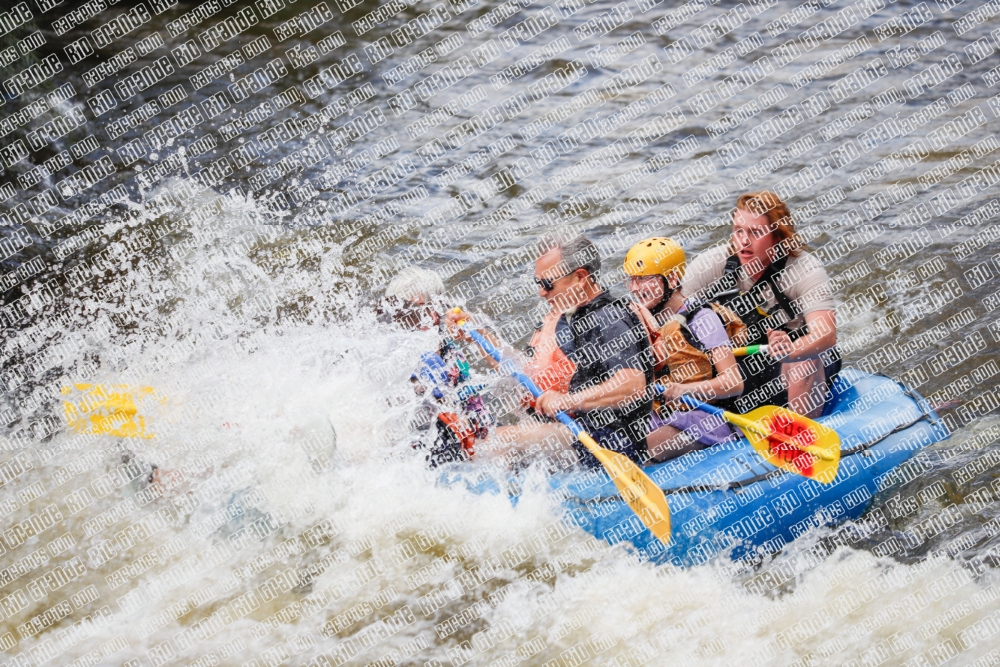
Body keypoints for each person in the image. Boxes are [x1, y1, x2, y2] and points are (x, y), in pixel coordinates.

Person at [446, 235, 654, 470]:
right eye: (538, 283)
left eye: (547, 284)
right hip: (573, 430)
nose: (541, 293)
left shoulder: (609, 318)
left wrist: (568, 401)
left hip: (608, 443)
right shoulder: (570, 317)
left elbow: (633, 385)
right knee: (474, 432)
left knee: (497, 442)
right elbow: (524, 372)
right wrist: (477, 333)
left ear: (580, 278)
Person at [682, 192, 839, 418]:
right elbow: (674, 319)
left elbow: (826, 335)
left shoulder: (805, 269)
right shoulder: (710, 266)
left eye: (755, 232)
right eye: (738, 231)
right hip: (745, 363)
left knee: (804, 362)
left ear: (777, 237)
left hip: (796, 365)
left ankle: (803, 438)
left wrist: (790, 351)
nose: (744, 241)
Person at [623, 238, 745, 462]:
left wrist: (683, 390)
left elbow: (734, 383)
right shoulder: (640, 323)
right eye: (631, 280)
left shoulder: (701, 319)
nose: (634, 288)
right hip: (662, 414)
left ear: (671, 279)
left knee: (646, 445)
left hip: (707, 418)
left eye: (643, 279)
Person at [380, 266, 493, 466]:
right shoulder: (388, 357)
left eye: (435, 306)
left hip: (453, 450)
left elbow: (478, 418)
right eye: (395, 313)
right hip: (411, 450)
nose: (432, 316)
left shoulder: (451, 353)